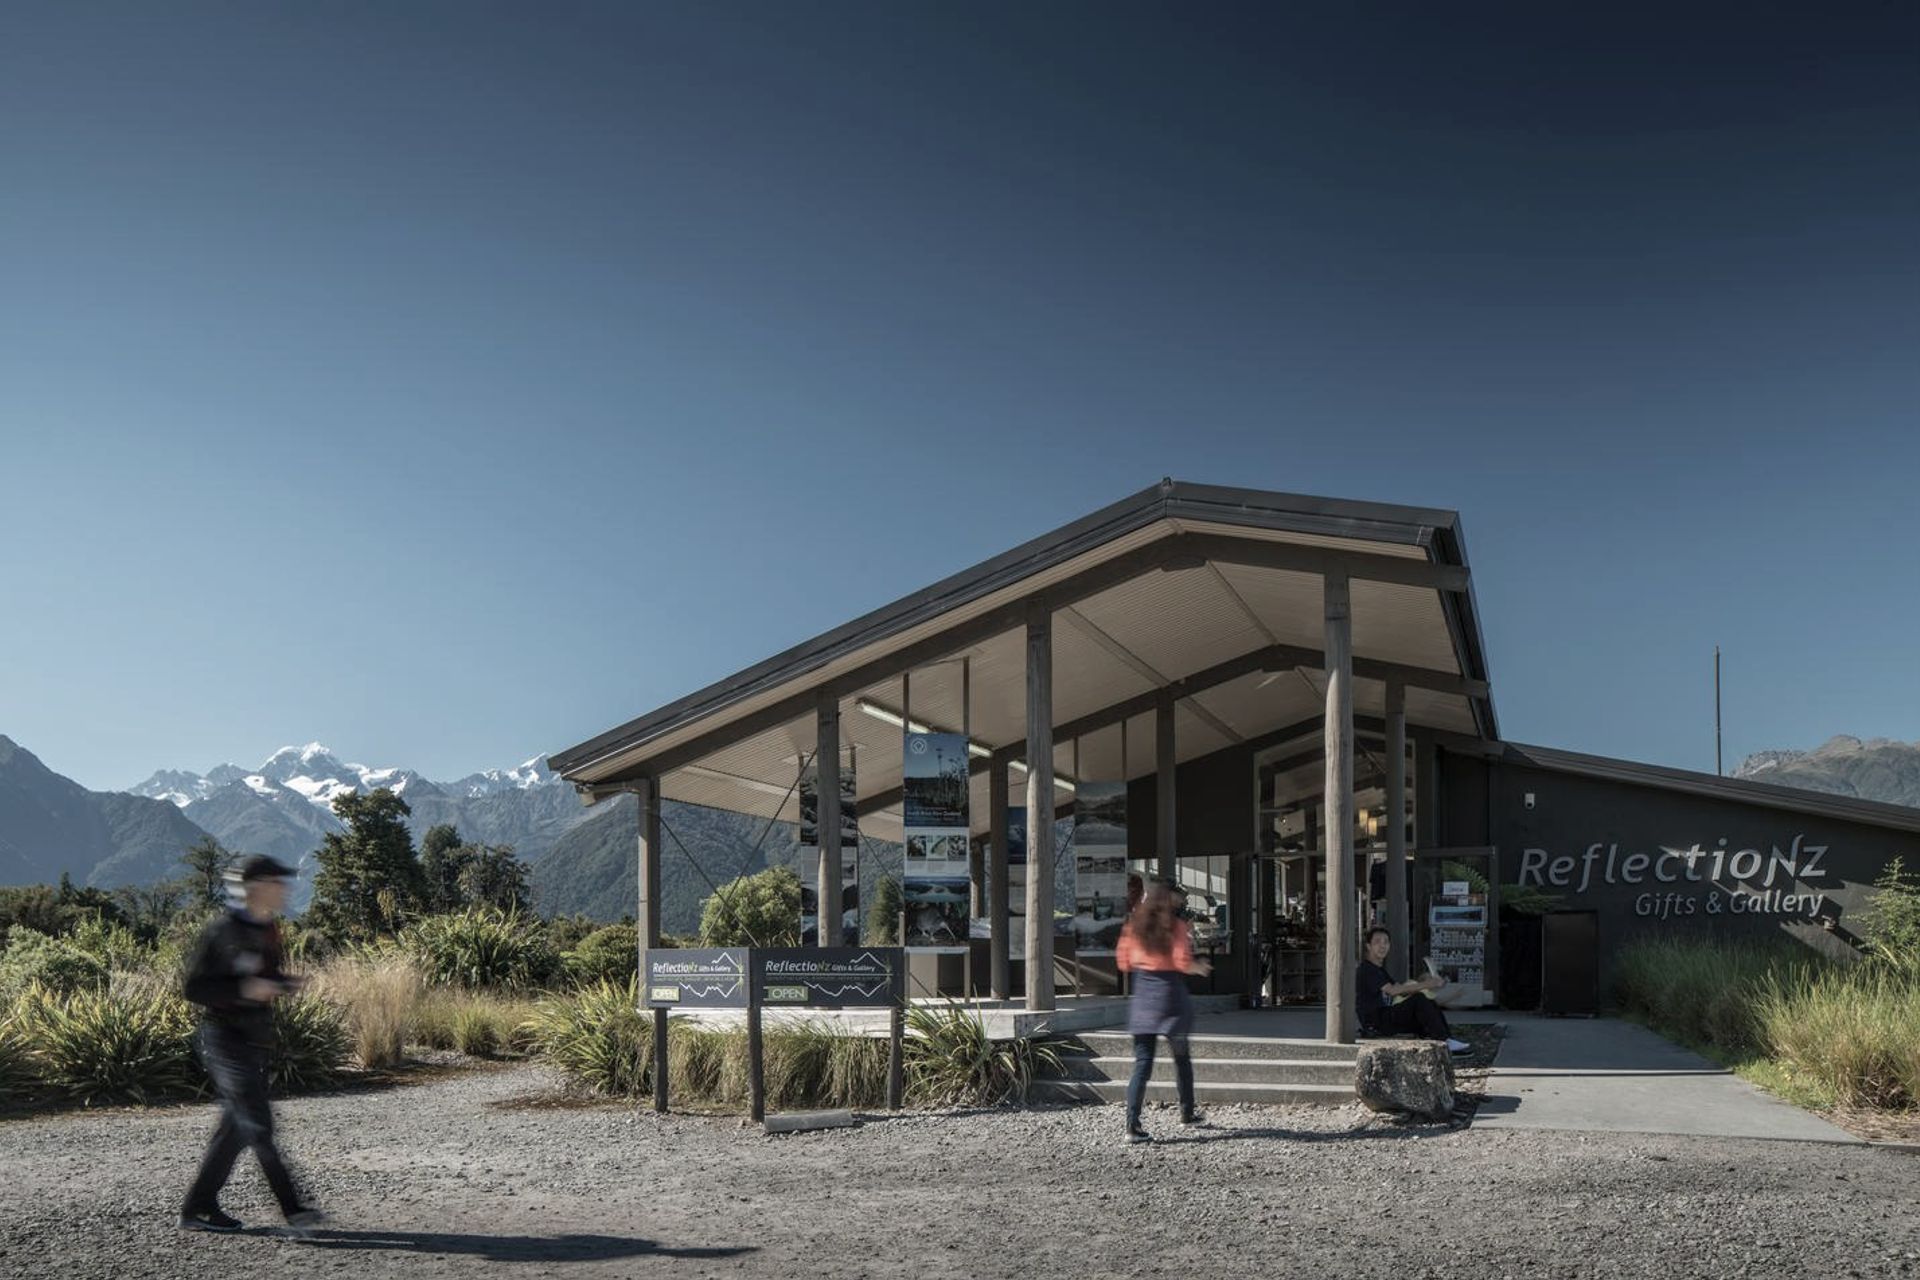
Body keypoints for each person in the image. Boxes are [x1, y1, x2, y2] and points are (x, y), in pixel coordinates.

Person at [179, 855, 327, 1235]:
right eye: (278, 883)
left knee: (236, 1128)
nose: (285, 890)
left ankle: (198, 1208)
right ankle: (293, 1210)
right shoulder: (221, 931)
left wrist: (283, 984)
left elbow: (267, 975)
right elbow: (194, 988)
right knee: (258, 1124)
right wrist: (245, 989)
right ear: (256, 886)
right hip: (222, 1040)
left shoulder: (268, 930)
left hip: (252, 1041)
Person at [1114, 881, 1211, 1143]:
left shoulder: (1132, 927)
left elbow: (1123, 962)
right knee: (1181, 1058)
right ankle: (1186, 1113)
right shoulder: (1176, 927)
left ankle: (1131, 1127)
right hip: (1171, 999)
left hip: (1144, 998)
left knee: (1142, 1064)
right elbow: (1182, 962)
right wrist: (1199, 967)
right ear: (1168, 902)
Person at [1356, 925, 1469, 1055]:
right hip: (1376, 1022)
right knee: (1419, 1000)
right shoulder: (1367, 969)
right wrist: (1426, 984)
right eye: (1377, 942)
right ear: (1368, 946)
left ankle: (1447, 1041)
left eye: (1386, 942)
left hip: (1386, 1017)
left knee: (1426, 1002)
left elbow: (1402, 990)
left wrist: (1424, 983)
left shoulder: (1379, 969)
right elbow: (1393, 991)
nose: (1382, 946)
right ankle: (1445, 1041)